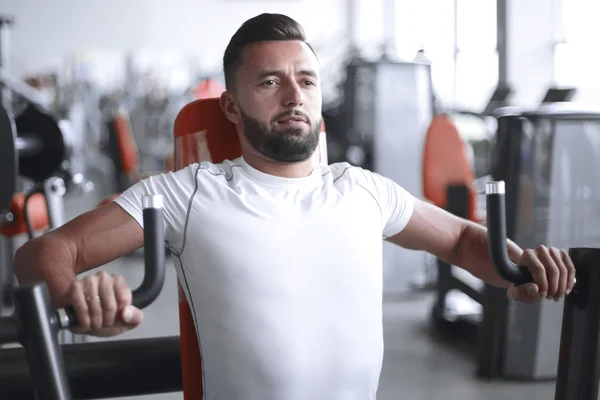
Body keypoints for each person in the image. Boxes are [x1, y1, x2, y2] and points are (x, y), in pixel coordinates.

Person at [13, 13, 575, 400]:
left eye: (306, 80)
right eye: (270, 82)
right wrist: (78, 293)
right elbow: (44, 253)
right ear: (231, 107)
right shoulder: (186, 192)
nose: (293, 96)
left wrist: (521, 267)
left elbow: (459, 240)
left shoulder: (363, 190)